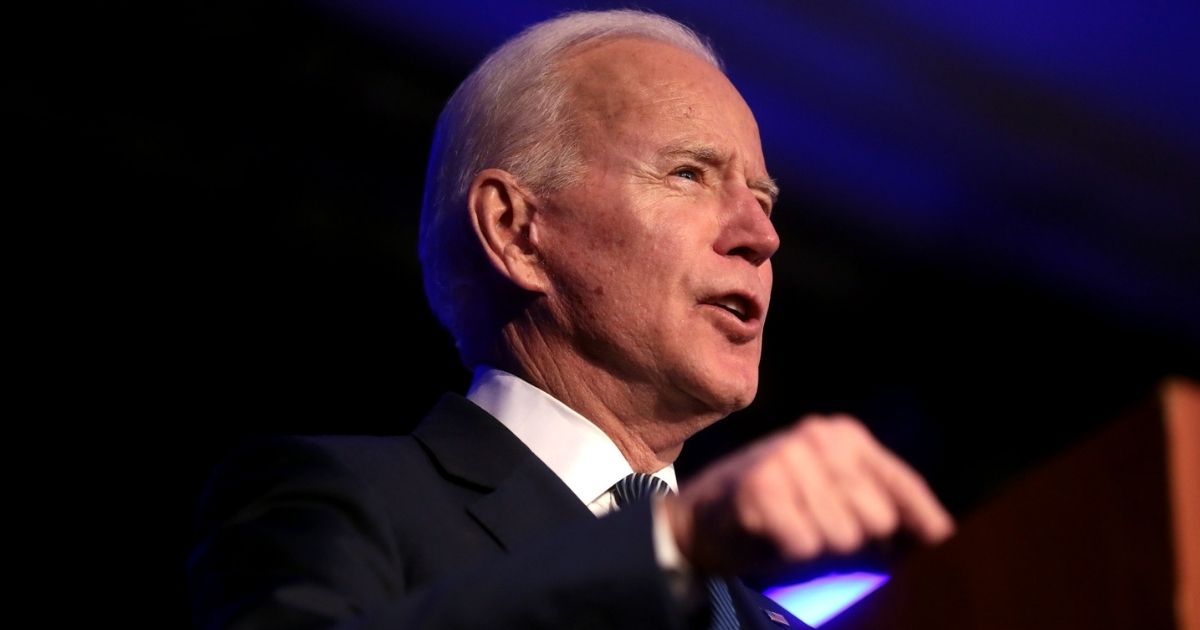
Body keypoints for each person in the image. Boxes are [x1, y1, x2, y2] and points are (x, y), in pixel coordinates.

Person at [188, 9, 954, 629]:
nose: (762, 236)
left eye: (764, 198)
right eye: (689, 174)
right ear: (516, 230)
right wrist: (673, 544)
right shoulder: (342, 502)